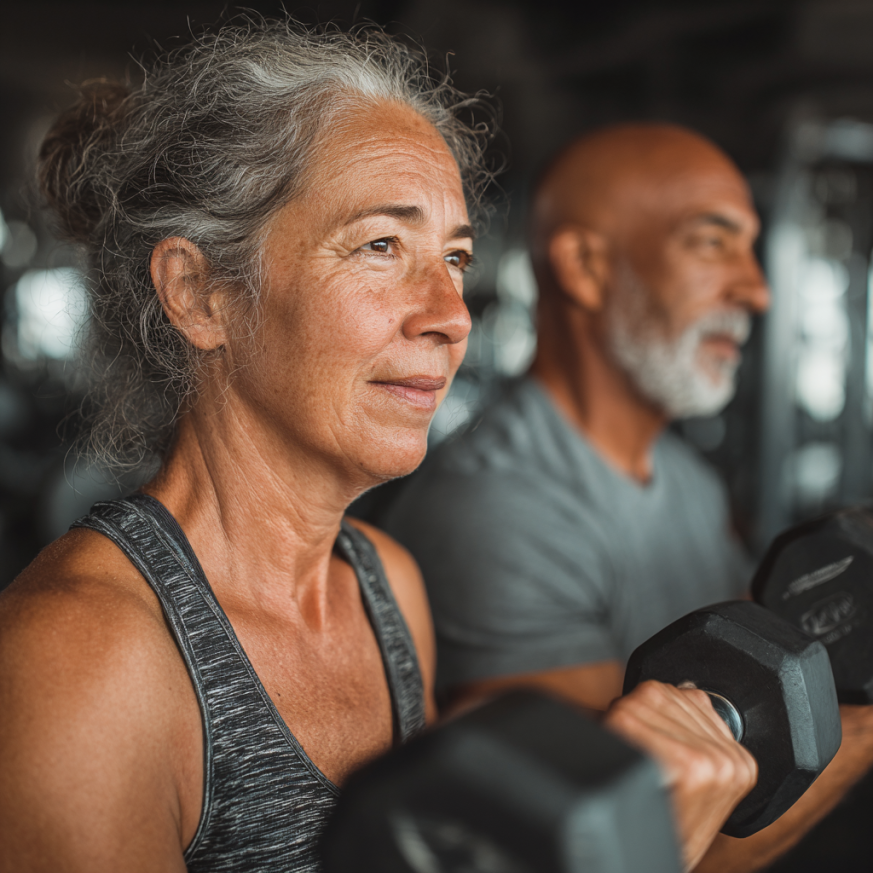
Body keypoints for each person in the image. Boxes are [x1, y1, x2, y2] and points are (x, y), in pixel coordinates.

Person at [0, 22, 756, 873]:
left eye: (456, 257)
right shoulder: (79, 657)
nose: (451, 313)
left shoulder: (384, 585)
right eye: (381, 246)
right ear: (200, 293)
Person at [384, 124, 873, 870]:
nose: (755, 287)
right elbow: (638, 836)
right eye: (712, 243)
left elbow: (773, 668)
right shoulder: (498, 508)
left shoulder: (684, 477)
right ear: (584, 266)